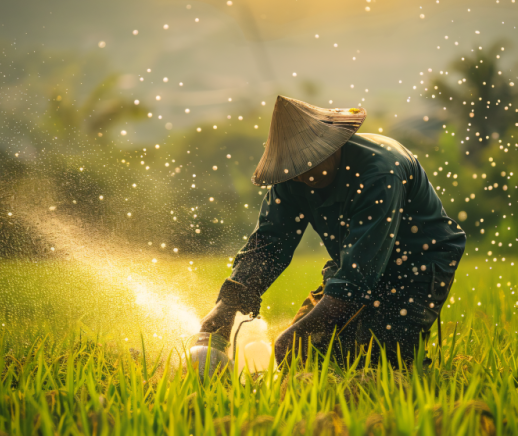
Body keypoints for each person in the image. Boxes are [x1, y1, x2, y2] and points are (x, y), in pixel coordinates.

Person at [198, 95, 466, 370]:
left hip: (417, 261)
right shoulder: (292, 176)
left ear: (332, 147)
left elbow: (357, 278)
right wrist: (230, 303)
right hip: (352, 261)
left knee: (381, 363)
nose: (302, 176)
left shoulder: (379, 173)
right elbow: (269, 244)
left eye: (308, 163)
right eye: (294, 169)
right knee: (310, 359)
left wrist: (297, 333)